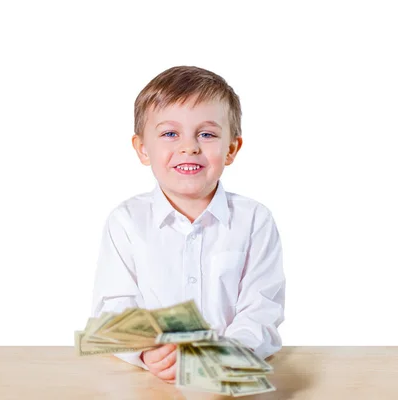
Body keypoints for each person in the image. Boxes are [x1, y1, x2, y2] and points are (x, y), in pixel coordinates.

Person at [90, 66, 286, 384]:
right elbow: (112, 307)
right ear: (142, 148)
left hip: (229, 377)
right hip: (151, 380)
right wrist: (146, 351)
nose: (189, 147)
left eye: (206, 134)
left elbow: (262, 307)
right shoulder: (126, 221)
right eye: (170, 134)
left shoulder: (254, 220)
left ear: (231, 149)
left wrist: (229, 355)